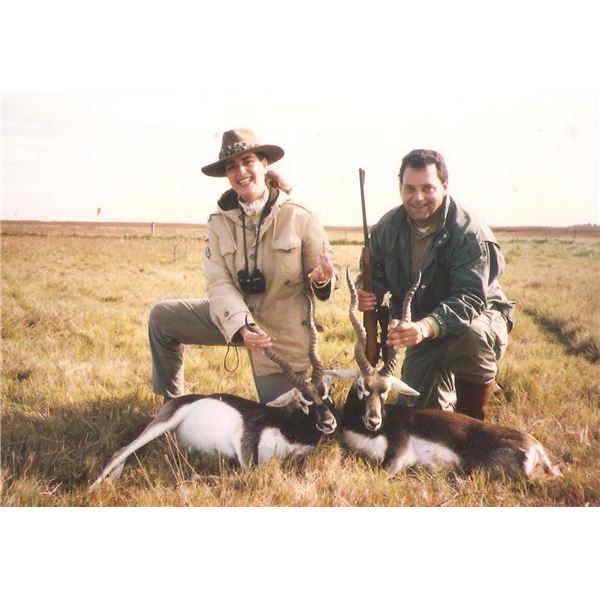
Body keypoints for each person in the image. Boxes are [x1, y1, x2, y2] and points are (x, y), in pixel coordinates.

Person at [148, 128, 337, 404]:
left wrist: (322, 280)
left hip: (279, 335)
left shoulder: (300, 216)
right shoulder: (218, 222)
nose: (241, 171)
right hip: (233, 318)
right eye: (231, 166)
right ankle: (172, 405)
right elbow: (219, 282)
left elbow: (325, 279)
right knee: (162, 317)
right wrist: (242, 325)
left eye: (248, 161)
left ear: (264, 164)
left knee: (287, 418)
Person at [357, 148, 514, 420]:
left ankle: (473, 419)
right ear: (400, 188)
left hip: (474, 317)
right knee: (415, 417)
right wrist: (367, 292)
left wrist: (424, 328)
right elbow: (374, 273)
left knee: (472, 337)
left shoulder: (469, 231)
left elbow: (470, 299)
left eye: (427, 188)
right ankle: (445, 387)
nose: (417, 198)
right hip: (420, 326)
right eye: (409, 189)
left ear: (444, 186)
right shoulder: (387, 227)